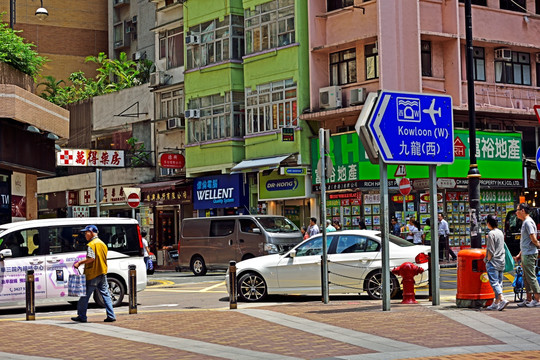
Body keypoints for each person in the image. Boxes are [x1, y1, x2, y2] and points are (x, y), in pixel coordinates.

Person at [72, 225, 116, 323]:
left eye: (86, 232)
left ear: (91, 232)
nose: (84, 235)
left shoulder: (91, 244)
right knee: (106, 294)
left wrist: (79, 263)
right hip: (102, 272)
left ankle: (82, 316)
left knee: (85, 296)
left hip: (92, 274)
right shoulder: (103, 244)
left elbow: (91, 258)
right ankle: (111, 315)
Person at [514, 203, 540, 307]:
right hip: (525, 253)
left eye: (517, 210)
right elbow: (525, 241)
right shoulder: (525, 222)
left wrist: (538, 245)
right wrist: (520, 254)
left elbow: (533, 239)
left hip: (529, 253)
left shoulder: (528, 223)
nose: (516, 213)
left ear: (523, 211)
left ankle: (537, 300)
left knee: (531, 277)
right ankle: (529, 299)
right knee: (525, 277)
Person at [484, 215, 509, 311]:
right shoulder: (500, 232)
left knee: (494, 282)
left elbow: (490, 250)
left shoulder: (491, 234)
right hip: (501, 261)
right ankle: (496, 303)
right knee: (499, 282)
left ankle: (502, 299)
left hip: (493, 262)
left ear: (489, 223)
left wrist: (487, 260)